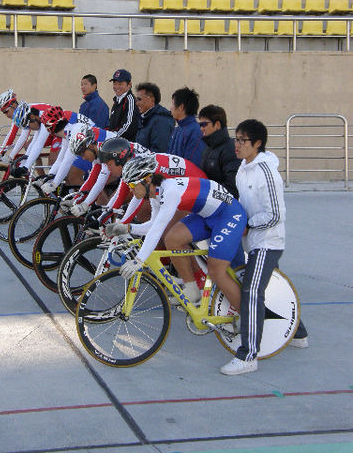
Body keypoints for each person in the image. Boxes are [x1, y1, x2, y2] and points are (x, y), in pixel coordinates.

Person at [220, 119, 308, 376]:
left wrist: (247, 225)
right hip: (254, 241)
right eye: (235, 139)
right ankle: (298, 333)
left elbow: (275, 215)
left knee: (251, 291)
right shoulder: (243, 168)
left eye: (242, 141)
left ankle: (248, 355)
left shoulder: (266, 172)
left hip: (267, 243)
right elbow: (241, 202)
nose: (236, 145)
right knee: (271, 288)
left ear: (257, 144)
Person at [108, 155, 247, 310]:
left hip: (228, 214)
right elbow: (152, 225)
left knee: (217, 272)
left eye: (133, 185)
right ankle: (193, 292)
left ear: (147, 180)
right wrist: (128, 228)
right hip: (208, 215)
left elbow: (157, 229)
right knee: (173, 239)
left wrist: (139, 260)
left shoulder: (170, 192)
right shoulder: (156, 193)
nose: (130, 189)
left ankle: (247, 320)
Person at [198, 104, 240, 197]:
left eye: (204, 124)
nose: (201, 128)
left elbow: (232, 187)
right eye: (200, 125)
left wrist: (207, 192)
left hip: (225, 206)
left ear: (217, 125)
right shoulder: (207, 149)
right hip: (209, 203)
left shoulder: (231, 149)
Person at [167, 86, 205, 167]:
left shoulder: (195, 131)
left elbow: (193, 165)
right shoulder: (178, 129)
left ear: (181, 107)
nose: (170, 108)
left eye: (173, 104)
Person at [135, 82, 175, 153]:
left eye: (139, 99)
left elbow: (159, 152)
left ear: (151, 99)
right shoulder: (144, 117)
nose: (137, 103)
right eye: (136, 100)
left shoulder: (161, 120)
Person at [108, 69, 141, 142]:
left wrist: (111, 138)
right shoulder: (117, 100)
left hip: (124, 146)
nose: (116, 87)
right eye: (114, 83)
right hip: (114, 144)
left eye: (120, 84)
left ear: (129, 85)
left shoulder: (130, 100)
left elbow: (128, 127)